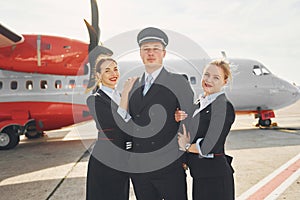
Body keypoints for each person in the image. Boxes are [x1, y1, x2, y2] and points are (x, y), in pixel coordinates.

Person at [124, 27, 194, 200]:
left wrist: (183, 157)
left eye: (156, 49)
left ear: (164, 53)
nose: (151, 53)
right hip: (140, 167)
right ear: (140, 53)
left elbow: (189, 120)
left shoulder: (178, 82)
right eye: (146, 49)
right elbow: (127, 122)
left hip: (169, 165)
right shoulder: (133, 86)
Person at [176, 59, 235, 200]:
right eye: (206, 75)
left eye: (216, 78)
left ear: (224, 82)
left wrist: (186, 146)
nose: (209, 80)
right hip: (200, 175)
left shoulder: (224, 106)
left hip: (216, 177)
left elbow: (210, 145)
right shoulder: (198, 104)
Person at [86, 57, 137, 200]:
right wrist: (127, 92)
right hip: (105, 159)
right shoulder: (95, 99)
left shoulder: (120, 97)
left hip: (123, 158)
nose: (113, 73)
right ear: (98, 76)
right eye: (107, 70)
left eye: (115, 69)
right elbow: (119, 123)